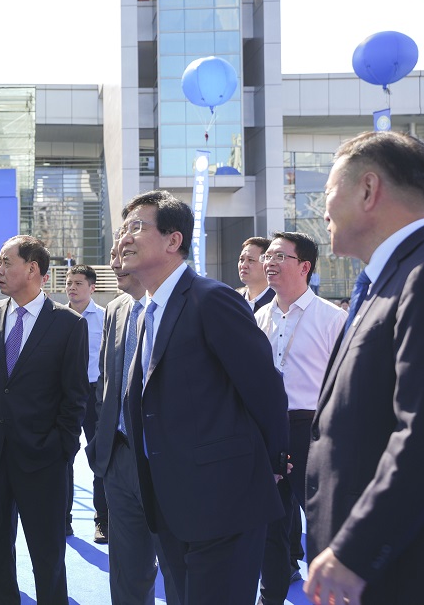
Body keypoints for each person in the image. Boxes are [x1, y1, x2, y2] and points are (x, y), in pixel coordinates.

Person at [118, 190, 289, 605]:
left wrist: (267, 465)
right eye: (123, 228)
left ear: (173, 240)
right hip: (169, 504)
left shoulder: (210, 299)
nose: (124, 237)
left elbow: (264, 388)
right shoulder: (147, 314)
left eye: (136, 226)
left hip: (223, 504)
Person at [305, 131, 424, 605]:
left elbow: (423, 430)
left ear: (367, 190)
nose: (323, 211)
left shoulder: (423, 274)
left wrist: (356, 550)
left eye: (328, 192)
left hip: (396, 570)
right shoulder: (386, 280)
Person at [0, 235, 89, 604]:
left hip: (43, 460)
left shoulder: (68, 324)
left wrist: (61, 449)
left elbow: (75, 396)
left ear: (32, 269)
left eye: (5, 262)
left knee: (48, 557)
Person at [255, 232, 345, 605]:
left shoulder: (333, 318)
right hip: (267, 430)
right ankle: (271, 596)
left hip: (314, 430)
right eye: (268, 256)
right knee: (270, 525)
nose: (269, 262)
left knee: (323, 525)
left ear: (304, 266)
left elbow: (345, 384)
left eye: (280, 256)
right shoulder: (259, 317)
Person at [87, 241, 178, 605]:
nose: (115, 263)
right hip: (120, 458)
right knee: (127, 572)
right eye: (112, 256)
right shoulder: (116, 309)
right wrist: (104, 441)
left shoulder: (189, 304)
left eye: (124, 255)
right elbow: (106, 381)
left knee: (178, 571)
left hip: (170, 462)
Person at [63, 264, 108, 542]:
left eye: (78, 283)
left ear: (92, 287)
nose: (72, 287)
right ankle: (63, 519)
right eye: (69, 283)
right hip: (64, 396)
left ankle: (102, 520)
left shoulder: (105, 318)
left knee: (99, 459)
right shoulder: (56, 317)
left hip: (94, 394)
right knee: (62, 458)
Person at [237, 236, 276, 312]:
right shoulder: (235, 301)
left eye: (251, 260)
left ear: (267, 264)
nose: (243, 265)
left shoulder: (279, 303)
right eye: (241, 259)